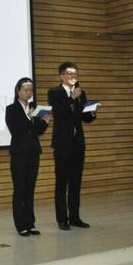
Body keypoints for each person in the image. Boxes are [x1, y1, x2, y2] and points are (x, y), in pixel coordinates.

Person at [47, 62, 96, 231]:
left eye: (75, 73)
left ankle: (75, 217)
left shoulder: (81, 92)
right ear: (61, 76)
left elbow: (86, 118)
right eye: (69, 73)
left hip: (78, 144)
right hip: (62, 144)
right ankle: (62, 219)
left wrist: (92, 111)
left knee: (76, 182)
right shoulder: (54, 92)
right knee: (61, 183)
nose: (73, 76)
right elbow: (60, 113)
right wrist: (72, 98)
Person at [5, 77, 50, 236]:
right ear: (18, 91)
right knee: (19, 190)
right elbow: (16, 130)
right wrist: (29, 117)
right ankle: (20, 225)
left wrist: (45, 122)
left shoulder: (34, 107)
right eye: (26, 90)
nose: (29, 93)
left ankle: (30, 223)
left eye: (31, 90)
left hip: (33, 153)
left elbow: (38, 131)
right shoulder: (11, 109)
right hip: (19, 154)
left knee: (30, 190)